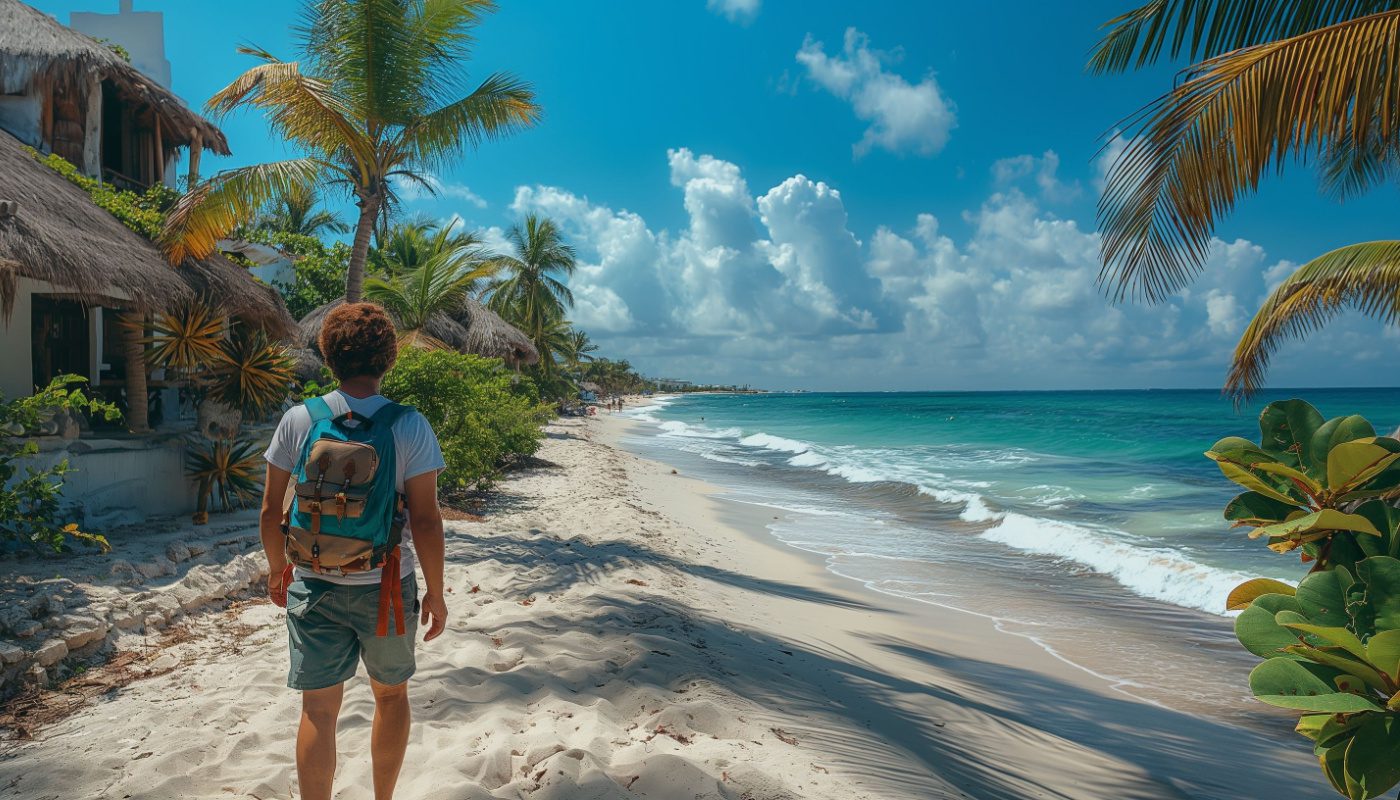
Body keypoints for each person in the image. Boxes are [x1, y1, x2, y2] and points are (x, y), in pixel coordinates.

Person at [258, 302, 449, 800]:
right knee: (390, 697)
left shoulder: (299, 419)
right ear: (389, 358)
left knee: (318, 711)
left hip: (314, 583)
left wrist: (278, 570)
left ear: (328, 357)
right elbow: (426, 520)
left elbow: (269, 512)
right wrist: (436, 592)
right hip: (385, 588)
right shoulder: (408, 425)